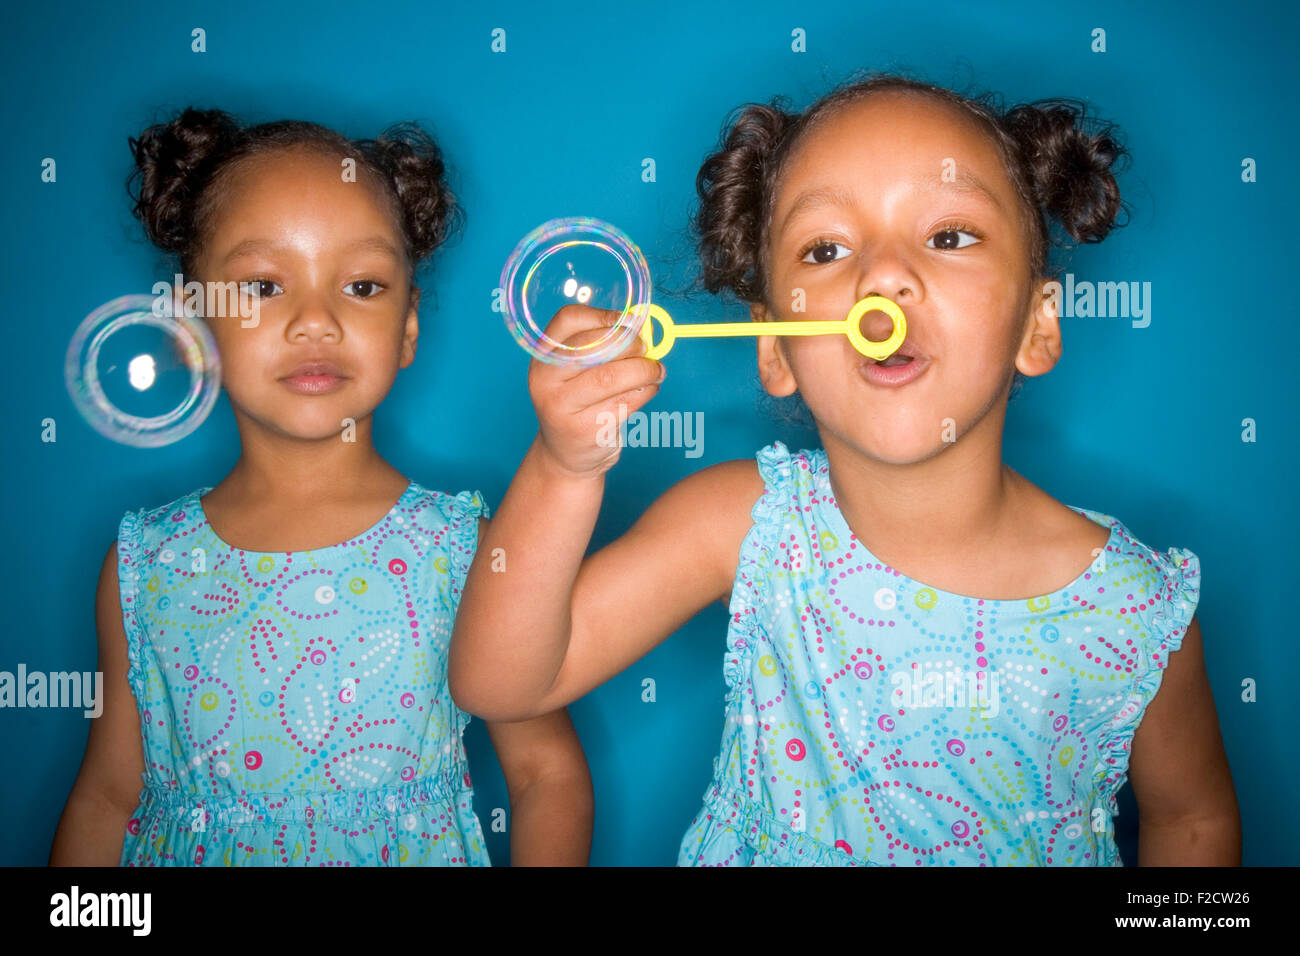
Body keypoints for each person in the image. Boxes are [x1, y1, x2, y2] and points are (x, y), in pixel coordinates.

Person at [449, 74, 1240, 865]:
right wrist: (565, 465)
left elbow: (1192, 825)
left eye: (949, 236)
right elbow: (503, 683)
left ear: (1037, 325)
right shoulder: (744, 525)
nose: (882, 277)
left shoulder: (1135, 611)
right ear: (776, 347)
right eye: (827, 249)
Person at [50, 107, 592, 866]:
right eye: (265, 286)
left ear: (407, 328)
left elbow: (546, 775)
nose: (316, 320)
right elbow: (106, 796)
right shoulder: (144, 568)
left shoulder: (469, 551)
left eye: (363, 284)